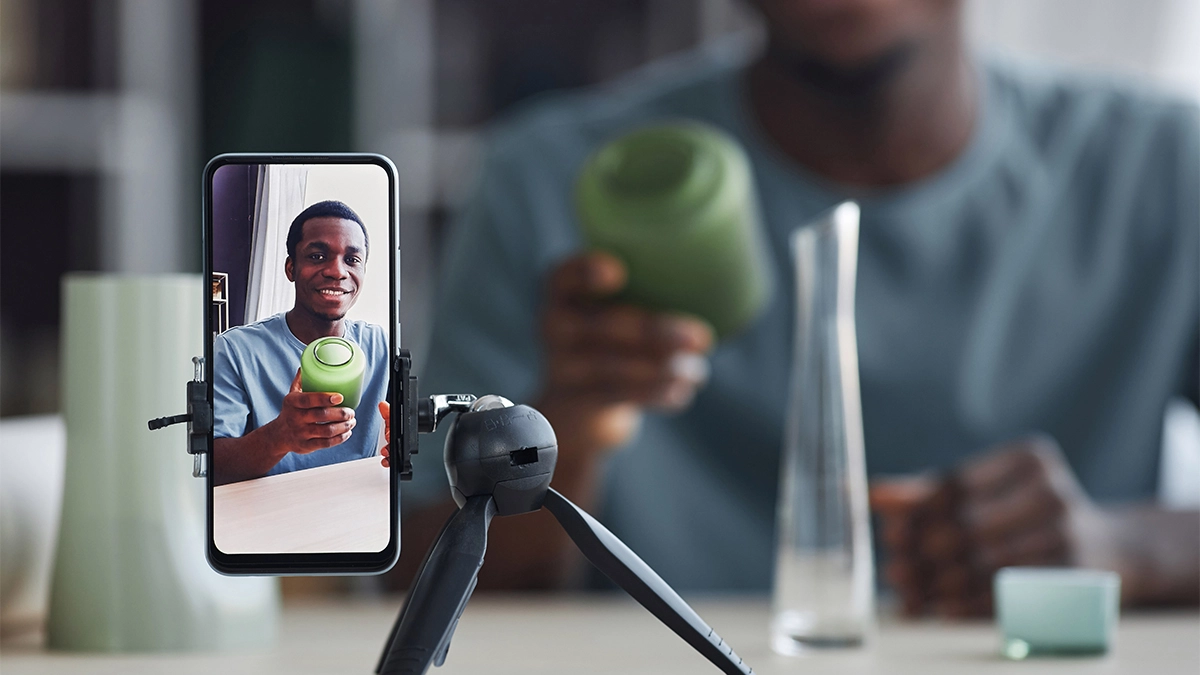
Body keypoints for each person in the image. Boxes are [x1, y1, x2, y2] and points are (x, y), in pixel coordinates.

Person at [405, 0, 1200, 612]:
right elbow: (401, 568)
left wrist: (1128, 548)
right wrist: (561, 437)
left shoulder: (1165, 169)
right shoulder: (546, 183)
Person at [213, 200, 391, 486]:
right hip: (264, 518)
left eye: (352, 259)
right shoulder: (235, 351)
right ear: (291, 268)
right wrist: (279, 435)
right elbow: (213, 465)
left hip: (358, 515)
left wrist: (407, 441)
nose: (337, 271)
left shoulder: (381, 345)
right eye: (318, 256)